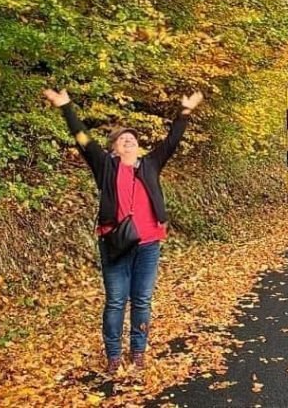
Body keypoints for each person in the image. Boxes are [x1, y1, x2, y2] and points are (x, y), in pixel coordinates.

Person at [42, 88, 203, 375]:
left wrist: (185, 112)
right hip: (115, 243)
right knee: (116, 300)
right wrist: (66, 107)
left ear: (138, 147)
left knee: (141, 299)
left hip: (149, 243)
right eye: (122, 139)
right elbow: (83, 140)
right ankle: (114, 354)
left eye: (132, 139)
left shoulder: (150, 164)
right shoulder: (105, 166)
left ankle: (138, 351)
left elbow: (172, 141)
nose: (128, 140)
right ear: (114, 148)